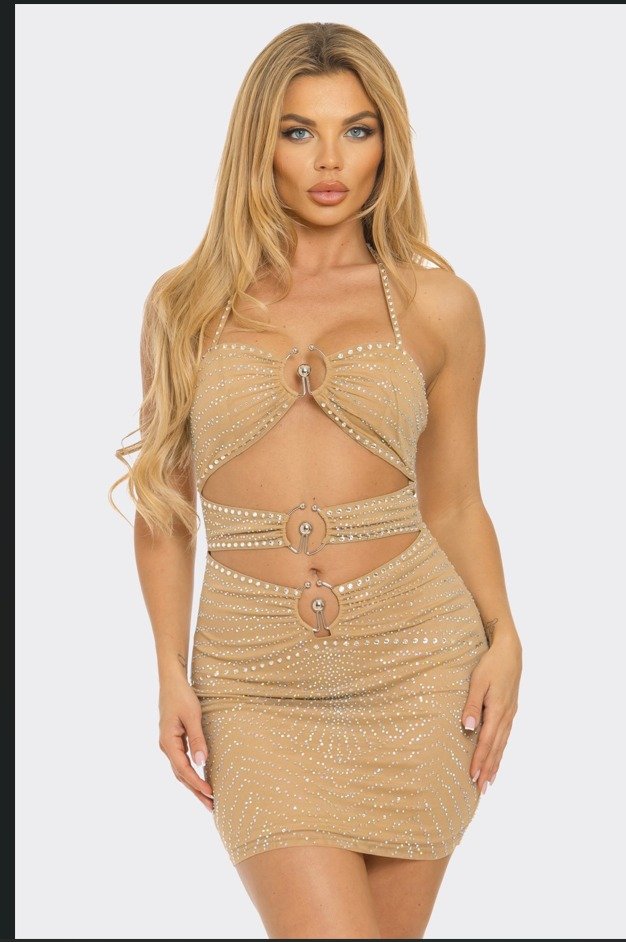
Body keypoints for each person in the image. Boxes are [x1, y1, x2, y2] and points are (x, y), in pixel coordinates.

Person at [110, 21, 522, 940]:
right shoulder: (185, 306)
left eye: (356, 130)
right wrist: (169, 671)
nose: (330, 160)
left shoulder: (440, 305)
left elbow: (455, 500)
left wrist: (504, 635)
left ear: (388, 143)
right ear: (260, 146)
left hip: (420, 668)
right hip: (254, 683)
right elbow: (165, 507)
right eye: (299, 131)